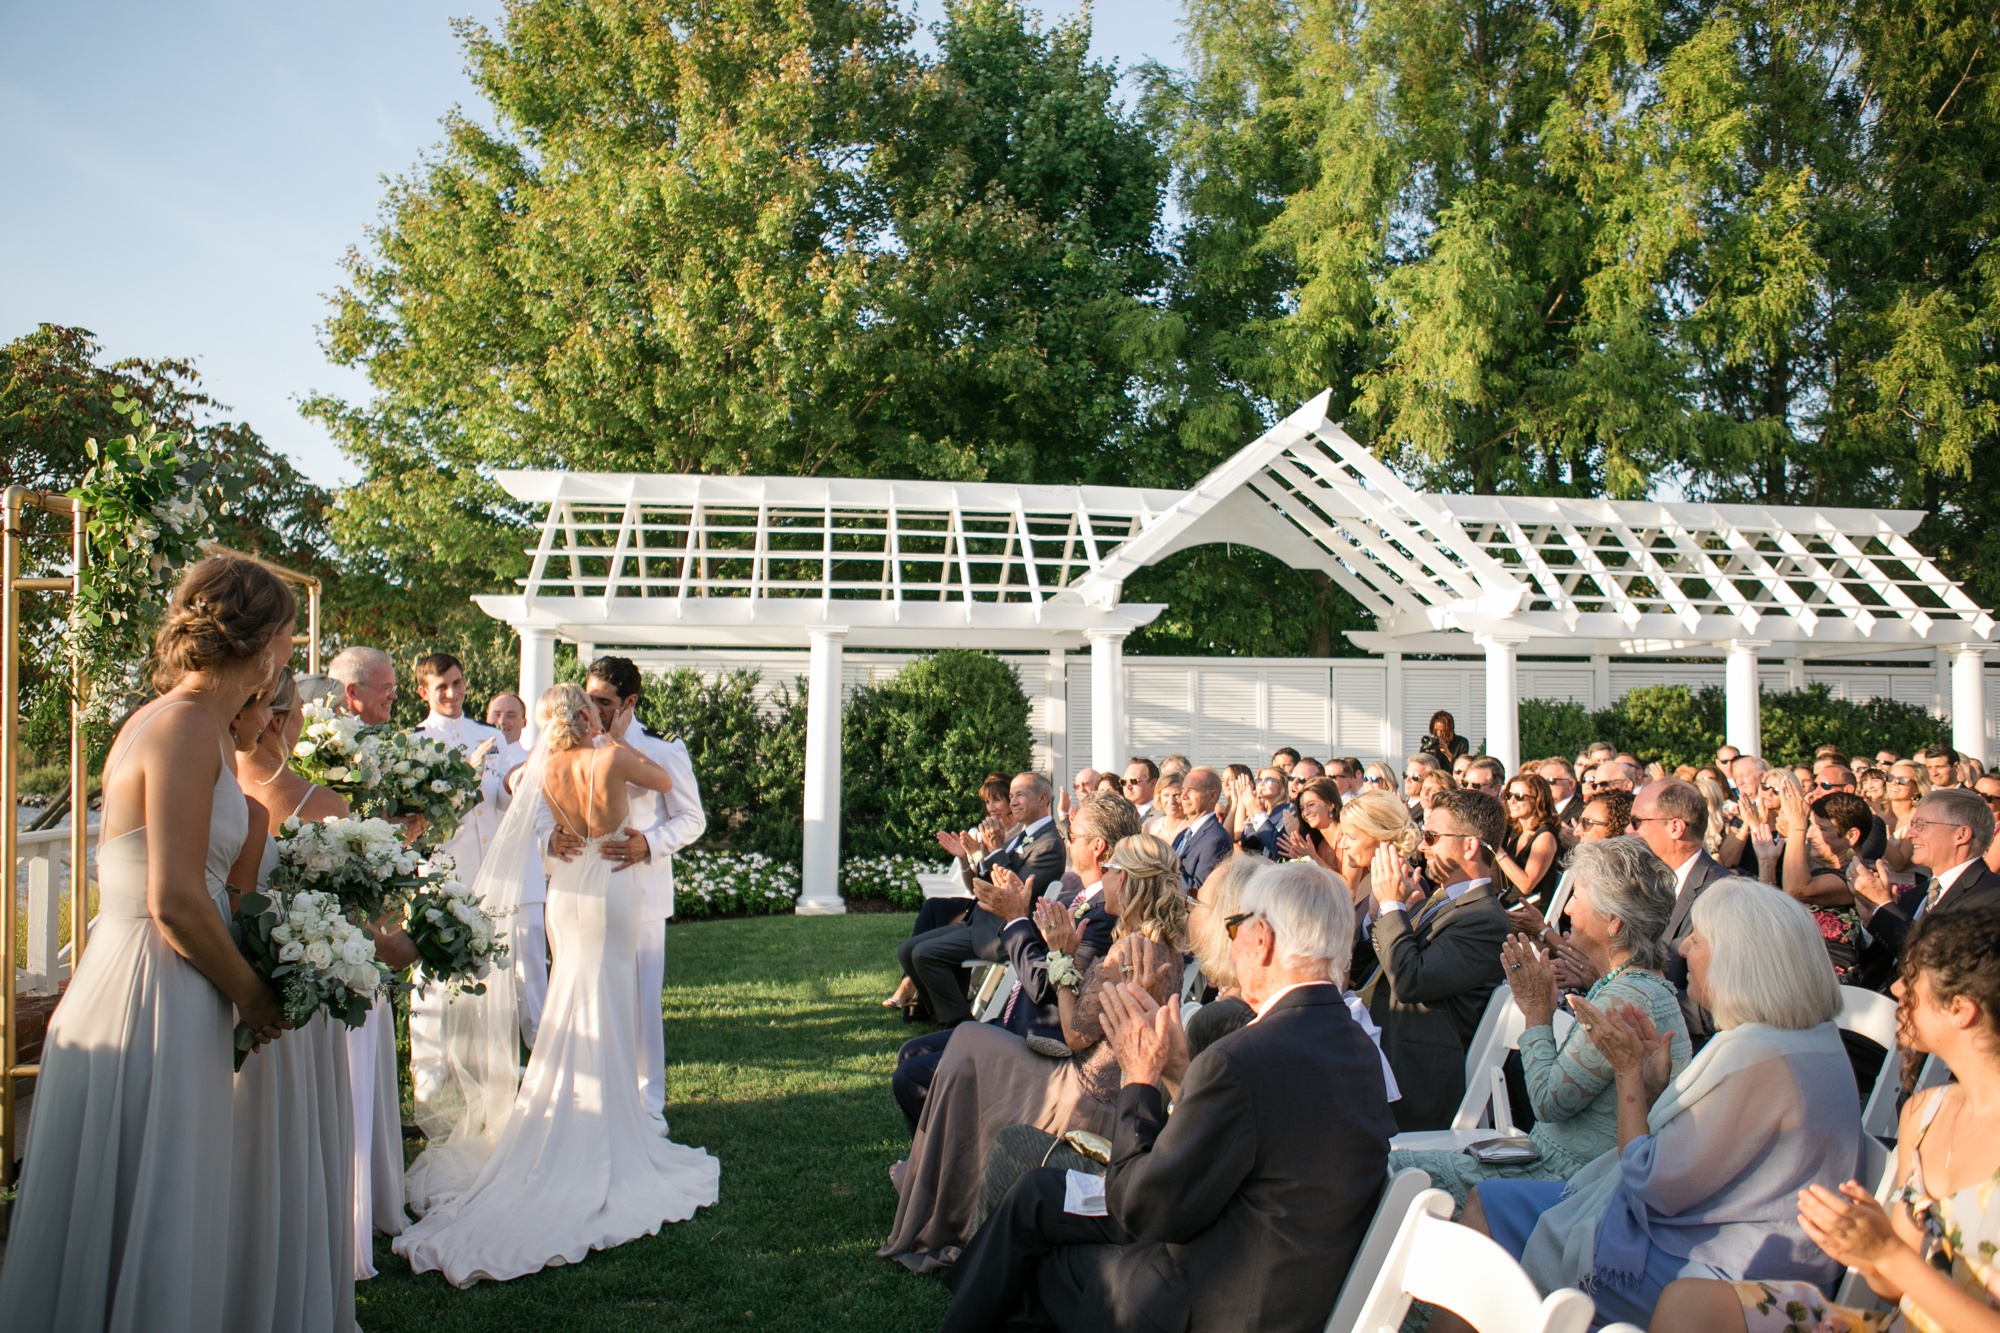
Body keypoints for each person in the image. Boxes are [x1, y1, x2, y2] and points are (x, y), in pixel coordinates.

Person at [0, 554, 294, 1333]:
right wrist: (254, 992)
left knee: (145, 1202)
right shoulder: (188, 725)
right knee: (153, 1192)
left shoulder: (170, 718)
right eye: (290, 636)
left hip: (153, 980)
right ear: (264, 641)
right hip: (154, 989)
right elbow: (174, 900)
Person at [938, 861, 1398, 1333]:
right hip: (1279, 1274)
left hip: (1208, 1296)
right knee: (1039, 1192)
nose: (1231, 936)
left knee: (1044, 1267)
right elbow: (1242, 1155)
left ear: (1262, 940)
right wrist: (1179, 1071)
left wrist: (1140, 1079)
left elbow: (1143, 1209)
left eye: (1235, 924)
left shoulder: (1245, 1057)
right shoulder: (1357, 1046)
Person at [393, 685, 719, 1285]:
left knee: (571, 996)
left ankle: (568, 1108)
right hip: (612, 880)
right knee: (607, 1000)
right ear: (587, 715)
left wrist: (550, 836)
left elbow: (534, 824)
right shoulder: (611, 756)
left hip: (566, 889)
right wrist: (610, 736)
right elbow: (665, 783)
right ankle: (607, 1120)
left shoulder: (543, 767)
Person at [1461, 879, 1862, 1330]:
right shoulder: (1815, 1040)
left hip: (1722, 1272)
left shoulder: (1754, 1054)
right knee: (1490, 1200)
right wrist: (1653, 1087)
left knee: (1485, 1215)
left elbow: (1650, 1184)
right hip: (1762, 1254)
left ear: (1738, 958)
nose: (1682, 948)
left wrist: (1628, 1073)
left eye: (1698, 937)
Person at [1654, 905, 2000, 1333]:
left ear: (1961, 1010)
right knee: (1689, 1302)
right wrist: (1863, 1248)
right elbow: (1894, 1288)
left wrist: (1885, 1254)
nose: (1895, 989)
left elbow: (1901, 1268)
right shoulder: (1924, 1113)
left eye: (1913, 980)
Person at [879, 833, 1187, 1272]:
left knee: (968, 1046)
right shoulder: (1160, 946)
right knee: (969, 1040)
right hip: (1099, 1083)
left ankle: (939, 1197)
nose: (1107, 877)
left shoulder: (1127, 950)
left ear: (1129, 880)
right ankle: (929, 1181)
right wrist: (1071, 960)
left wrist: (1062, 959)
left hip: (1083, 1096)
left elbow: (1075, 1033)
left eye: (1114, 870)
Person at [1389, 837, 1692, 1208]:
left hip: (1566, 1185)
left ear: (1613, 921)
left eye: (1577, 897)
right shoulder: (1632, 984)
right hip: (1556, 1167)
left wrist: (1535, 1011)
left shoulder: (1625, 996)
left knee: (1392, 1171)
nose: (1566, 909)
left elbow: (1550, 1103)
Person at [223, 667, 360, 1333]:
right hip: (293, 992)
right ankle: (286, 1289)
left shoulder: (224, 790)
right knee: (289, 1148)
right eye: (299, 711)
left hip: (225, 984)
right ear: (280, 721)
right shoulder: (320, 802)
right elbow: (353, 912)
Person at [890, 794, 1139, 1133]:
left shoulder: (1105, 915)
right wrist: (1022, 917)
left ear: (1096, 847)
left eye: (1073, 835)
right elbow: (1046, 961)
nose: (1066, 839)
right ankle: (936, 1157)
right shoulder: (1076, 898)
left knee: (912, 1076)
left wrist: (1016, 919)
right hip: (1013, 1023)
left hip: (1039, 1042)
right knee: (911, 1052)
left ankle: (962, 1160)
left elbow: (1048, 989)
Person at [549, 656, 707, 1128]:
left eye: (603, 702)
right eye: (589, 699)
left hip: (641, 893)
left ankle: (648, 1104)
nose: (591, 710)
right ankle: (589, 1095)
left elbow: (692, 819)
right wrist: (548, 839)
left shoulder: (661, 749)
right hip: (584, 891)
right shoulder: (572, 744)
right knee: (583, 992)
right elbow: (543, 805)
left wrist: (649, 843)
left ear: (628, 703)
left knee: (640, 1000)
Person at [323, 646, 414, 1268]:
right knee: (351, 1068)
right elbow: (345, 847)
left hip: (374, 921)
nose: (392, 696)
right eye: (384, 688)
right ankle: (349, 1213)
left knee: (374, 1057)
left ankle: (380, 1198)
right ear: (351, 693)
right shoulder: (328, 754)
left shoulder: (377, 748)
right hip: (344, 933)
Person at [1363, 789, 1513, 1131]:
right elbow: (1377, 968)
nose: (1423, 846)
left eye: (1431, 836)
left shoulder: (1485, 919)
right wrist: (1379, 913)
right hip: (1387, 1050)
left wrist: (1392, 906)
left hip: (1418, 1078)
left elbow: (1410, 980)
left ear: (1470, 845)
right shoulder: (1443, 900)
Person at [407, 653, 508, 1121]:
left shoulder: (491, 737)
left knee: (486, 968)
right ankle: (428, 1071)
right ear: (424, 692)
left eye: (457, 682)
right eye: (440, 686)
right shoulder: (416, 742)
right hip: (440, 869)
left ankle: (484, 1061)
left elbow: (504, 795)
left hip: (487, 868)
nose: (451, 693)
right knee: (429, 971)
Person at [904, 773, 1065, 1027]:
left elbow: (1012, 889)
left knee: (924, 954)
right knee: (907, 951)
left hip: (998, 932)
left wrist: (996, 850)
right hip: (980, 921)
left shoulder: (1049, 844)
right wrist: (972, 856)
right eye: (1011, 797)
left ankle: (958, 1023)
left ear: (1042, 798)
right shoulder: (1018, 836)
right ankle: (942, 1012)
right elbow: (983, 881)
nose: (1013, 803)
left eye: (1020, 795)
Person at [888, 774, 1016, 1012]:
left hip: (995, 910)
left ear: (1011, 801)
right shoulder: (988, 832)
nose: (991, 807)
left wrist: (981, 853)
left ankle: (918, 991)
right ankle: (911, 986)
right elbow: (974, 884)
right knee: (933, 907)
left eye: (997, 800)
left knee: (936, 915)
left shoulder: (1014, 836)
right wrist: (963, 857)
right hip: (980, 898)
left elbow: (996, 882)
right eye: (987, 802)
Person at [1854, 788, 2000, 970]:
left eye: (1920, 824)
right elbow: (1877, 968)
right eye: (1912, 824)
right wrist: (1871, 920)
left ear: (1961, 835)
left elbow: (1936, 963)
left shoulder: (1991, 897)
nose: (1910, 834)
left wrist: (1883, 906)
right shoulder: (1915, 895)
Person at [1631, 779, 1730, 1042]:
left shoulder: (1719, 894)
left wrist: (1628, 997)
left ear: (1675, 827)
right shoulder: (1651, 882)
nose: (1629, 831)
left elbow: (1713, 1010)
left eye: (1637, 821)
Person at [1495, 772, 1563, 912]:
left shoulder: (1545, 836)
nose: (1512, 801)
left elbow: (1526, 884)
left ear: (1538, 800)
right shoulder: (1517, 832)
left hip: (1528, 912)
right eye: (1509, 795)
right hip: (1507, 906)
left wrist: (1496, 848)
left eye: (1519, 797)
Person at [1172, 767, 1233, 892]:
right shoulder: (1183, 835)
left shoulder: (1216, 840)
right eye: (1182, 790)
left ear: (1212, 796)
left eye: (1192, 790)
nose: (1183, 796)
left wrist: (1163, 867)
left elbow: (1199, 891)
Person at [1277, 774, 1344, 874]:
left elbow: (1349, 887)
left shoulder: (1347, 839)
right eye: (1302, 808)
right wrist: (1300, 859)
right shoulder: (1322, 845)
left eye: (1311, 804)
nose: (1305, 813)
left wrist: (1313, 858)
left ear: (1331, 805)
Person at [1236, 766, 1294, 860]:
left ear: (1282, 787)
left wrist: (1257, 812)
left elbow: (1278, 848)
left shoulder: (1289, 810)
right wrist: (1251, 811)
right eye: (1259, 780)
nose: (1262, 784)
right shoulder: (1262, 812)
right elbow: (1249, 848)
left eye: (1269, 780)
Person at [1541, 758, 1584, 823]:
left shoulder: (1582, 811)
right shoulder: (1542, 811)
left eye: (1550, 781)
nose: (1545, 786)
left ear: (1571, 784)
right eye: (1541, 782)